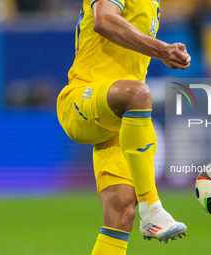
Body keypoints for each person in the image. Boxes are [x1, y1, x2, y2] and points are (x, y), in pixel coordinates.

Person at [57, 0, 191, 254]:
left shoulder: (153, 4)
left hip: (121, 120)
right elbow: (104, 20)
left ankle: (145, 211)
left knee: (122, 214)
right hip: (80, 99)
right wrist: (162, 50)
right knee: (138, 93)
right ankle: (152, 207)